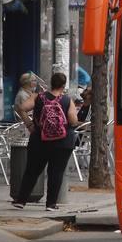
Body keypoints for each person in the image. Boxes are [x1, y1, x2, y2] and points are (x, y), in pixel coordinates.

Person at [11, 72, 79, 211]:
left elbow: (21, 108)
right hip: (62, 142)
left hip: (39, 140)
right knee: (56, 172)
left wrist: (29, 124)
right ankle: (51, 204)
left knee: (32, 170)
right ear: (63, 85)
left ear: (51, 83)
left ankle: (21, 200)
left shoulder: (38, 97)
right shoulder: (67, 100)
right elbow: (73, 120)